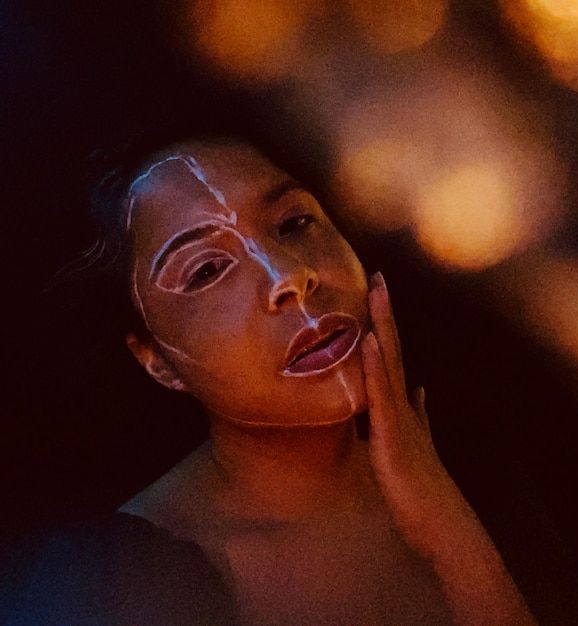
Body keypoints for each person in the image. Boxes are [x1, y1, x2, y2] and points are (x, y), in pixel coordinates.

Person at [4, 129, 535, 625]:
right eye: (207, 270)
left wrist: (452, 536)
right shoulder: (121, 589)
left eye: (295, 222)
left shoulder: (503, 428)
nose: (289, 277)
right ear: (156, 361)